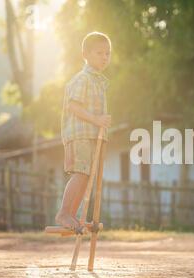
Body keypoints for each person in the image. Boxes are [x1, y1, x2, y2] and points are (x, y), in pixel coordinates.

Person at [55, 31, 112, 231]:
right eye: (99, 53)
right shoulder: (83, 79)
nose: (105, 57)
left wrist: (102, 128)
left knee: (87, 176)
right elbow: (74, 107)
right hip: (79, 135)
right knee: (81, 173)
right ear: (85, 55)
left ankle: (73, 215)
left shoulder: (99, 81)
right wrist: (97, 119)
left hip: (91, 136)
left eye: (107, 53)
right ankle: (64, 213)